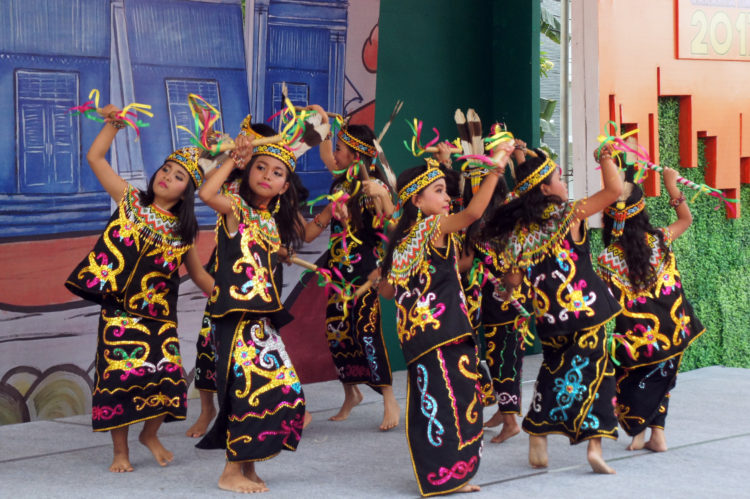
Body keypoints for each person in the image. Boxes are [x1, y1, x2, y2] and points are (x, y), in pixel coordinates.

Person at [64, 104, 213, 472]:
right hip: (119, 312)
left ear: (187, 192)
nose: (167, 176)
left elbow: (198, 276)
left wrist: (234, 295)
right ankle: (121, 452)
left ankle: (150, 434)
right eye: (166, 169)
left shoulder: (184, 232)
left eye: (179, 176)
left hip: (159, 319)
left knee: (166, 377)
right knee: (119, 379)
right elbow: (95, 157)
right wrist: (113, 126)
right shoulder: (130, 202)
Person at [376, 140, 514, 496]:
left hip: (425, 337)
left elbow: (387, 292)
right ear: (416, 202)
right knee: (453, 403)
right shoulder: (429, 228)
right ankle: (447, 477)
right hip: (441, 334)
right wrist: (496, 168)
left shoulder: (407, 238)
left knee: (444, 403)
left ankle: (450, 475)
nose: (446, 197)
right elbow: (471, 214)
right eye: (438, 191)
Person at [481, 145, 623, 474]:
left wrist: (505, 288)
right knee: (599, 376)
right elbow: (615, 190)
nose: (563, 182)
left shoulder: (520, 233)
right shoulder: (568, 213)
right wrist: (604, 156)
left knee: (554, 371)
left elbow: (512, 280)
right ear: (545, 189)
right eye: (559, 178)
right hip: (586, 312)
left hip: (550, 318)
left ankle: (539, 430)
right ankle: (594, 447)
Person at [195, 133, 307, 493]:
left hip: (260, 318)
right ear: (247, 172)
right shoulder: (236, 208)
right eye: (260, 167)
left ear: (284, 186)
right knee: (245, 388)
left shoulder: (270, 222)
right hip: (234, 316)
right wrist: (235, 160)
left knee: (283, 387)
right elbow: (206, 194)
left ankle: (249, 464)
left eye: (276, 173)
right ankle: (231, 470)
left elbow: (267, 257)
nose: (267, 175)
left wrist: (281, 254)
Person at [186, 117, 282, 439]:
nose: (242, 142)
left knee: (260, 345)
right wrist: (230, 156)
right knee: (208, 341)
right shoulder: (234, 185)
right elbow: (204, 182)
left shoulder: (273, 187)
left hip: (261, 276)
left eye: (249, 140)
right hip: (227, 267)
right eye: (242, 139)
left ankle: (269, 409)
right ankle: (210, 410)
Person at [596, 166, 704, 452]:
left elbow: (611, 300)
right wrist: (671, 186)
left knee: (634, 380)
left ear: (611, 222)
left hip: (639, 338)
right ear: (642, 214)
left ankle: (640, 432)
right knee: (663, 375)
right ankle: (656, 434)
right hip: (675, 327)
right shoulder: (660, 238)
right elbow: (686, 219)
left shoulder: (606, 258)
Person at [307, 105, 400, 431]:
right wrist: (325, 126)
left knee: (368, 333)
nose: (335, 155)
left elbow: (393, 229)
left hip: (365, 274)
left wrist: (383, 199)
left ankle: (388, 397)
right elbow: (326, 157)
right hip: (337, 274)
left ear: (357, 156)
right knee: (338, 335)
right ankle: (351, 394)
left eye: (341, 150)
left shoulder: (375, 187)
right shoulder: (339, 184)